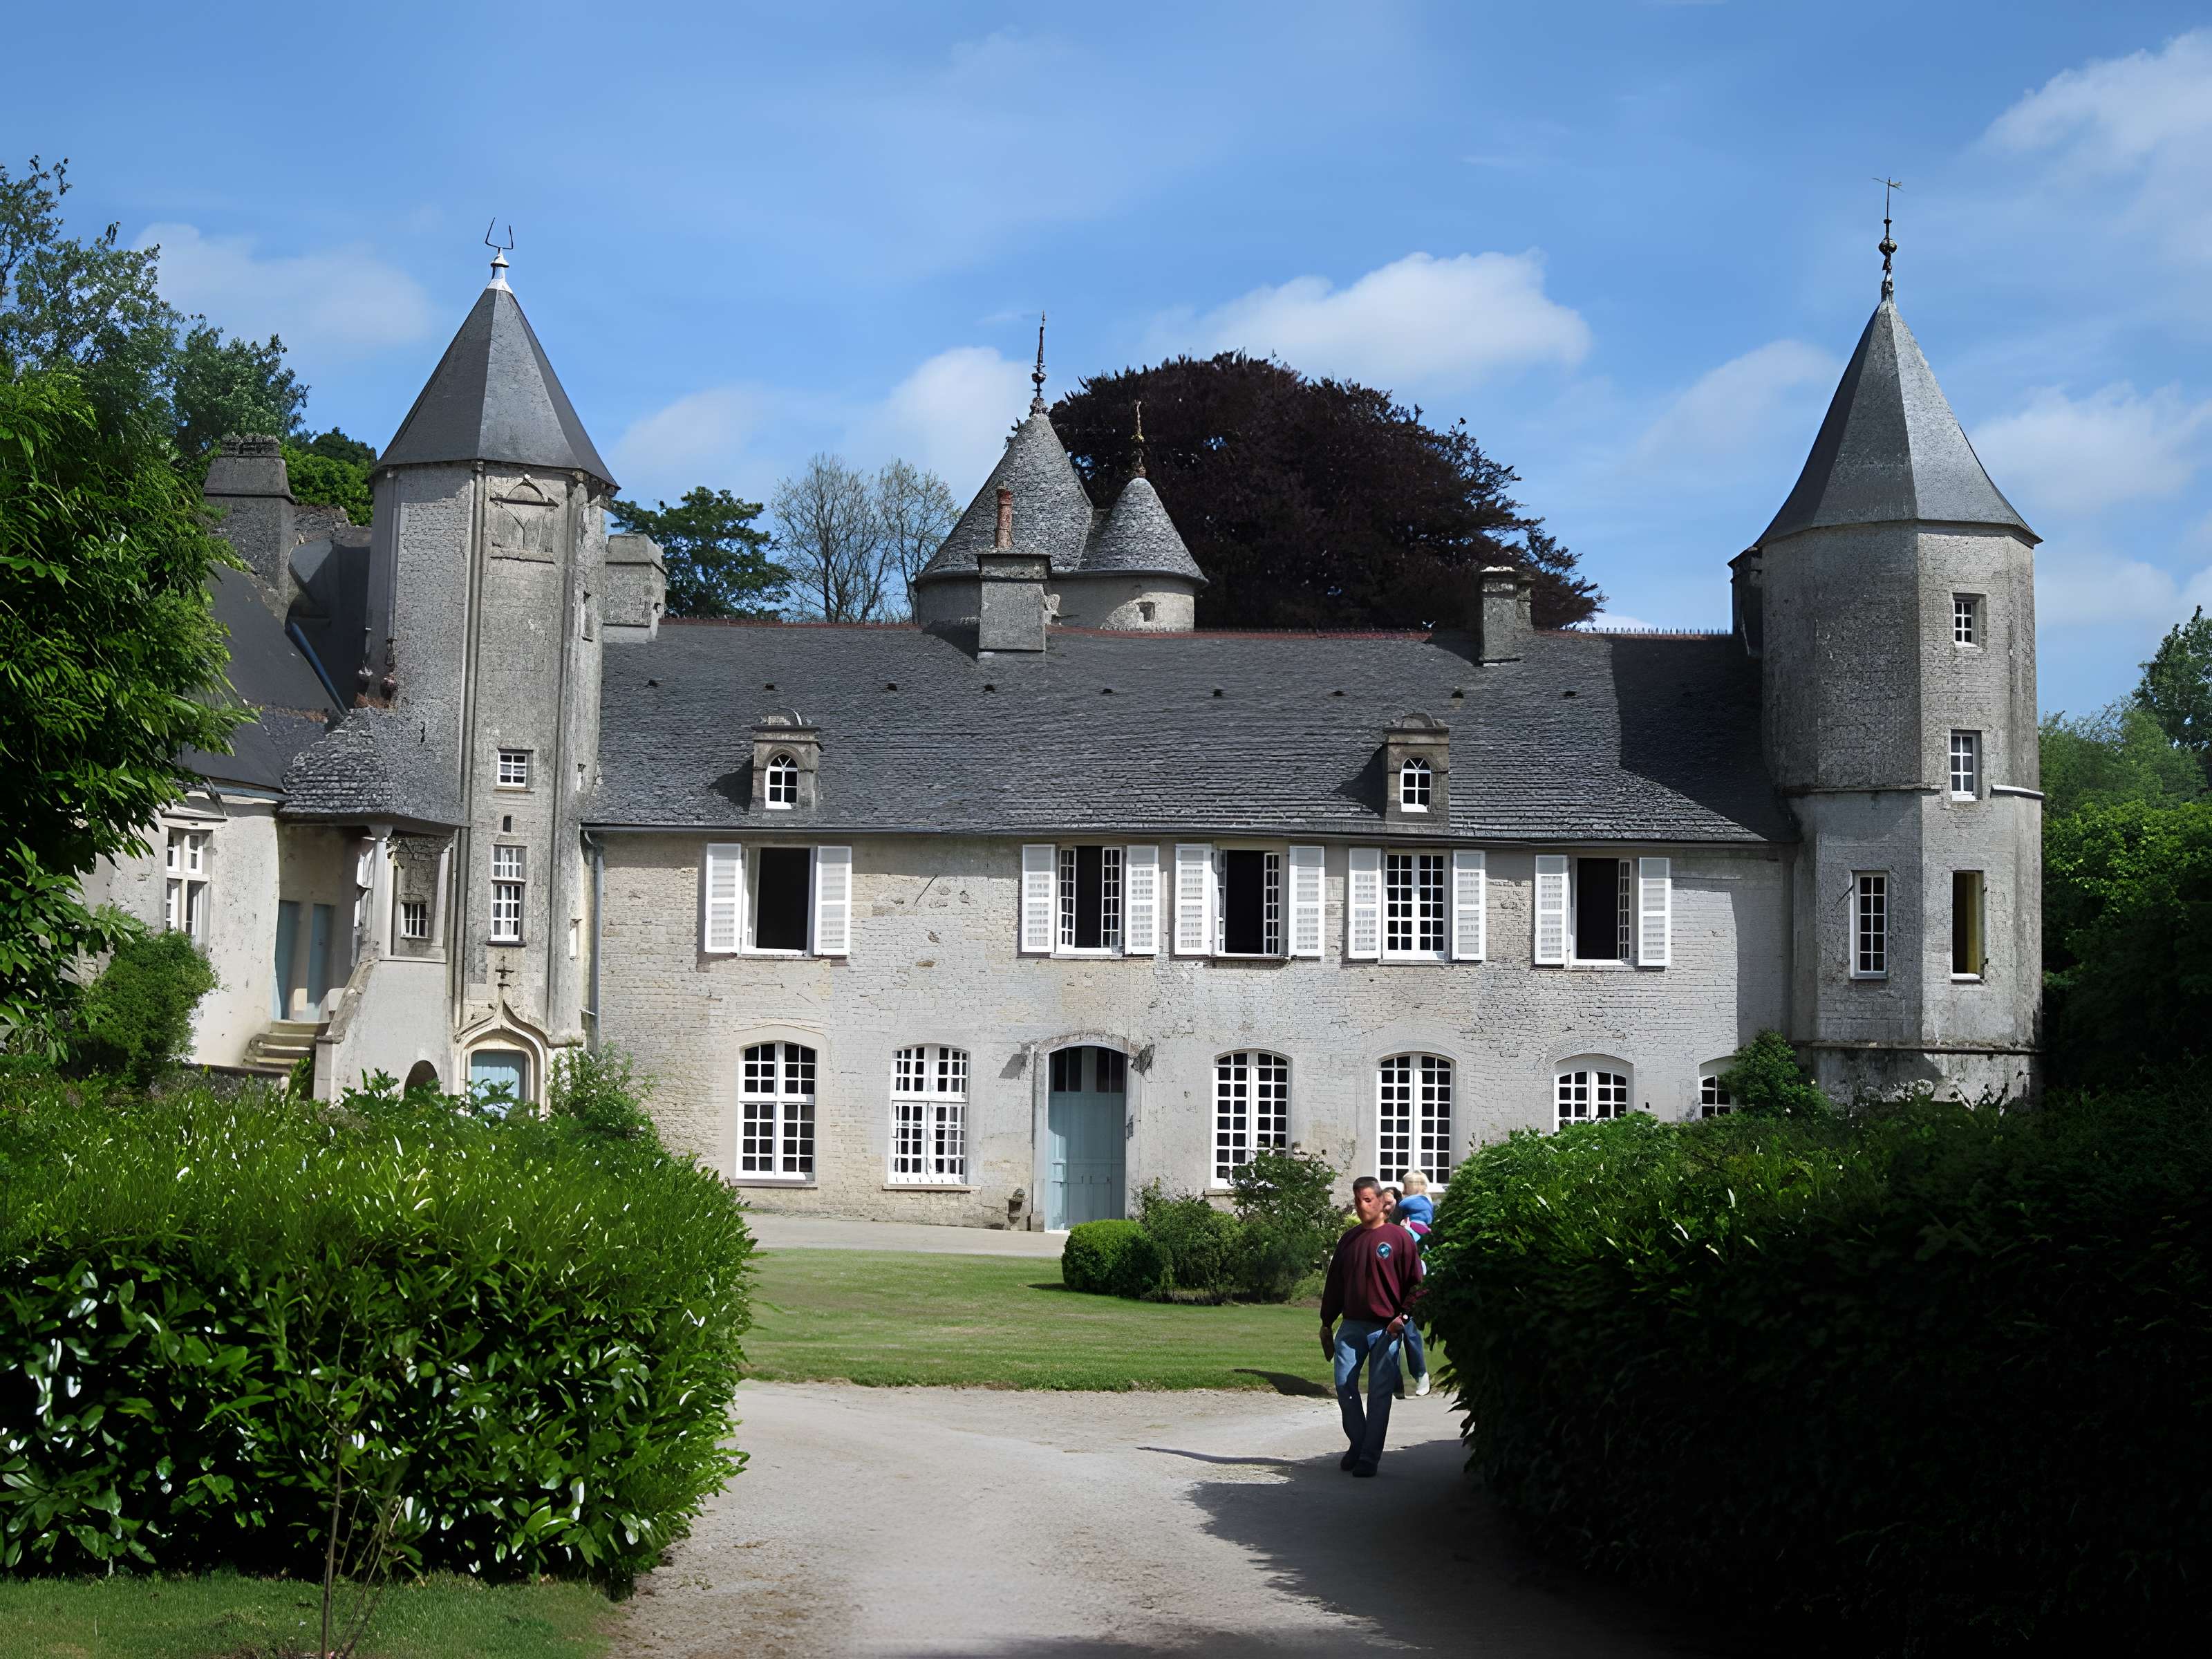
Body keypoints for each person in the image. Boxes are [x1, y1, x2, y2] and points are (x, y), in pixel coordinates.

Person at [1320, 1175, 1423, 1477]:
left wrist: (1403, 1318)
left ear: (1381, 1202)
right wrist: (1327, 1321)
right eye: (1357, 1201)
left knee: (1379, 1394)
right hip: (1351, 1326)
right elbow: (1335, 1283)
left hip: (1386, 1328)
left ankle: (1368, 1457)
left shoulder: (1399, 1238)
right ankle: (1358, 1443)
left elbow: (1417, 1284)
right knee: (1344, 1386)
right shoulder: (1349, 1240)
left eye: (1367, 1200)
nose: (1361, 1206)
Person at [1391, 1172, 1435, 1399]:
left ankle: (1417, 1376)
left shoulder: (1412, 1229)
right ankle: (1399, 1382)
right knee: (1399, 1333)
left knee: (1406, 1331)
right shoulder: (1420, 1226)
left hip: (1409, 1286)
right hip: (1408, 1284)